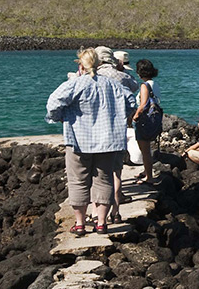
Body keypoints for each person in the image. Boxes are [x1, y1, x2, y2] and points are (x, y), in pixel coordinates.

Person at [46, 48, 136, 236]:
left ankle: (80, 224)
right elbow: (131, 102)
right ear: (99, 64)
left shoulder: (75, 84)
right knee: (104, 181)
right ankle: (102, 223)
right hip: (108, 141)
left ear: (81, 65)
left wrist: (61, 117)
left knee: (78, 182)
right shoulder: (113, 84)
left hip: (78, 140)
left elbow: (53, 103)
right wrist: (120, 117)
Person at [93, 46, 139, 223]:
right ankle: (116, 211)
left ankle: (97, 214)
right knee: (116, 172)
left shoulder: (90, 76)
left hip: (96, 130)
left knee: (96, 175)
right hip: (117, 129)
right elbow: (133, 91)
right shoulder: (121, 76)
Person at [132, 59, 162, 185]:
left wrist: (135, 116)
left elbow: (143, 104)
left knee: (144, 149)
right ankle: (146, 171)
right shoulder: (154, 84)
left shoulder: (144, 86)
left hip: (144, 120)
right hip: (153, 120)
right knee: (147, 148)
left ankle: (149, 176)